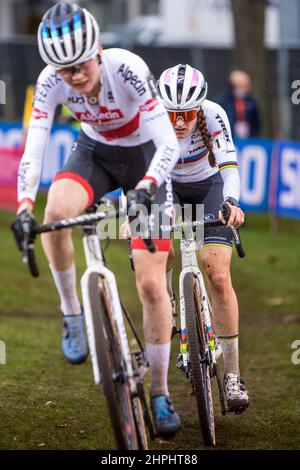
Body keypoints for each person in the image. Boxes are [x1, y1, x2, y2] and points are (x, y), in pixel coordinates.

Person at [11, 3, 182, 436]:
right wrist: (24, 206)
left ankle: (159, 392)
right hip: (96, 155)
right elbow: (34, 148)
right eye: (63, 69)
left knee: (149, 282)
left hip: (147, 160)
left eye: (80, 65)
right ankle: (72, 313)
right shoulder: (52, 82)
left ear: (98, 49)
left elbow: (168, 143)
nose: (74, 77)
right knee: (53, 213)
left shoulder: (128, 69)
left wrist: (147, 187)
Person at [157, 64, 249, 412]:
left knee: (218, 274)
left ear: (201, 106)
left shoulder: (214, 114)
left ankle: (233, 375)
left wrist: (232, 202)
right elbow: (136, 167)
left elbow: (228, 164)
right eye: (173, 114)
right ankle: (168, 305)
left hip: (208, 186)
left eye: (187, 114)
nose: (180, 122)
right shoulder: (150, 115)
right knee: (157, 252)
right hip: (166, 186)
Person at [214, 70, 260, 139]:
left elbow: (256, 122)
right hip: (229, 137)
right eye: (243, 86)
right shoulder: (222, 100)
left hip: (248, 138)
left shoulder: (251, 101)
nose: (246, 89)